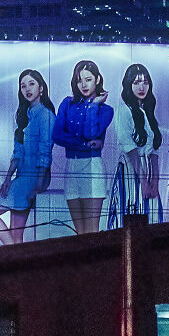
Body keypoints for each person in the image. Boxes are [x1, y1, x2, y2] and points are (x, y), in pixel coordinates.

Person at [0, 69, 56, 245]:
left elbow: (45, 154)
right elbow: (17, 152)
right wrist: (7, 179)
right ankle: (17, 255)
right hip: (21, 178)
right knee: (15, 236)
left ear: (41, 88)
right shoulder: (24, 116)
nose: (27, 89)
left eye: (31, 84)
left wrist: (37, 186)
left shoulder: (46, 116)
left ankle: (14, 254)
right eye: (23, 86)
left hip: (35, 178)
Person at [52, 59, 114, 235]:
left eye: (88, 79)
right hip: (71, 166)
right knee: (79, 233)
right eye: (79, 80)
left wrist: (93, 105)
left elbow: (90, 133)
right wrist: (83, 144)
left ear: (97, 79)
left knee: (91, 231)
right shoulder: (67, 103)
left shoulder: (106, 110)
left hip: (92, 166)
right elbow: (56, 135)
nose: (84, 85)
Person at [115, 63, 162, 216]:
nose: (141, 87)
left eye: (145, 82)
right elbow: (130, 149)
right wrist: (143, 182)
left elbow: (154, 152)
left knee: (153, 217)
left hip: (148, 173)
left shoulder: (148, 113)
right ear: (129, 85)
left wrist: (155, 183)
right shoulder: (124, 111)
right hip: (131, 170)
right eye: (136, 83)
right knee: (133, 212)